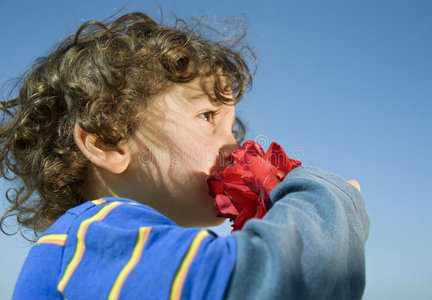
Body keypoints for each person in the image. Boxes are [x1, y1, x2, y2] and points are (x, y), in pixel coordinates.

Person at [0, 12, 369, 300]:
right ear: (108, 142)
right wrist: (330, 204)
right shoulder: (94, 236)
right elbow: (257, 285)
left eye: (233, 130)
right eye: (208, 116)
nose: (235, 148)